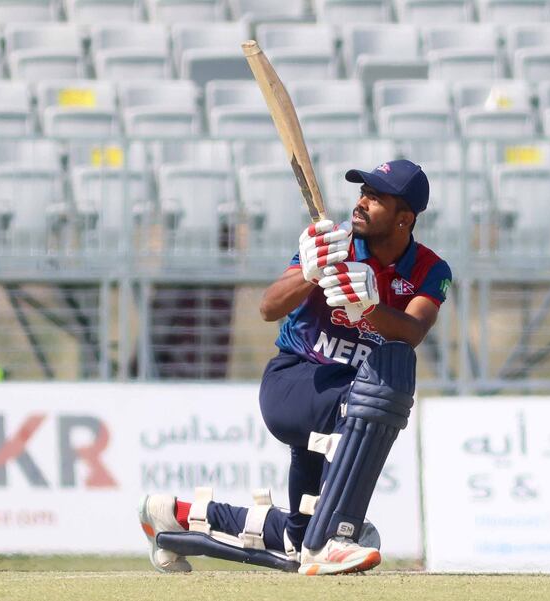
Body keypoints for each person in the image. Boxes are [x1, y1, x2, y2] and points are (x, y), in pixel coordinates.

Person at [138, 160, 453, 575]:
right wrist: (312, 272)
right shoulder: (332, 243)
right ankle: (337, 535)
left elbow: (412, 331)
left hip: (349, 395)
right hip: (296, 379)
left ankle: (172, 516)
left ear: (404, 219)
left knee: (297, 540)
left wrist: (369, 308)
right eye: (362, 193)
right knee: (376, 396)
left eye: (375, 198)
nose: (361, 203)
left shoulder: (431, 270)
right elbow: (269, 307)